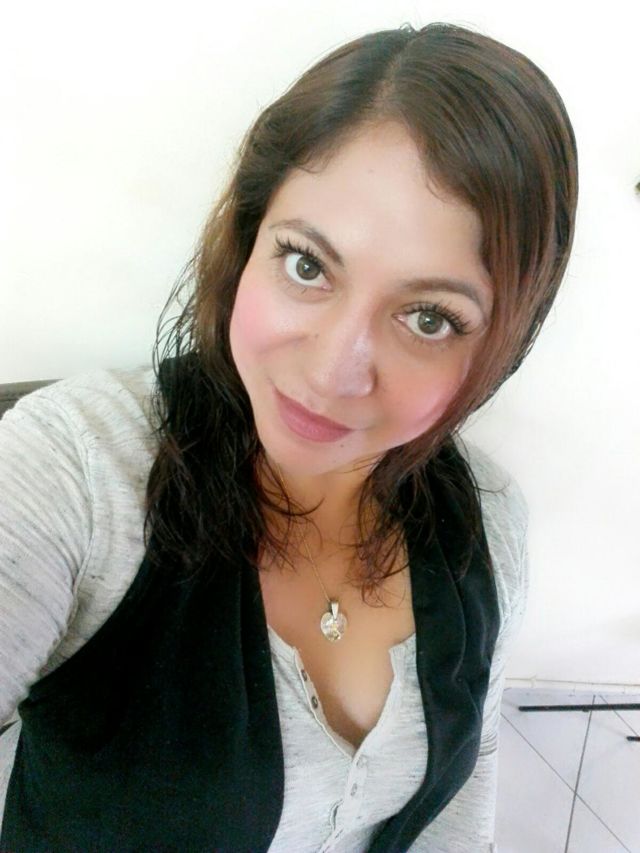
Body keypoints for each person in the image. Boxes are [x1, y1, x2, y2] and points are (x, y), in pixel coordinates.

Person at [0, 20, 577, 852]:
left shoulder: (487, 526)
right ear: (246, 242)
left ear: (500, 347)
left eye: (428, 317)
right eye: (308, 265)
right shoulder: (76, 471)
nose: (336, 370)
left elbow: (461, 802)